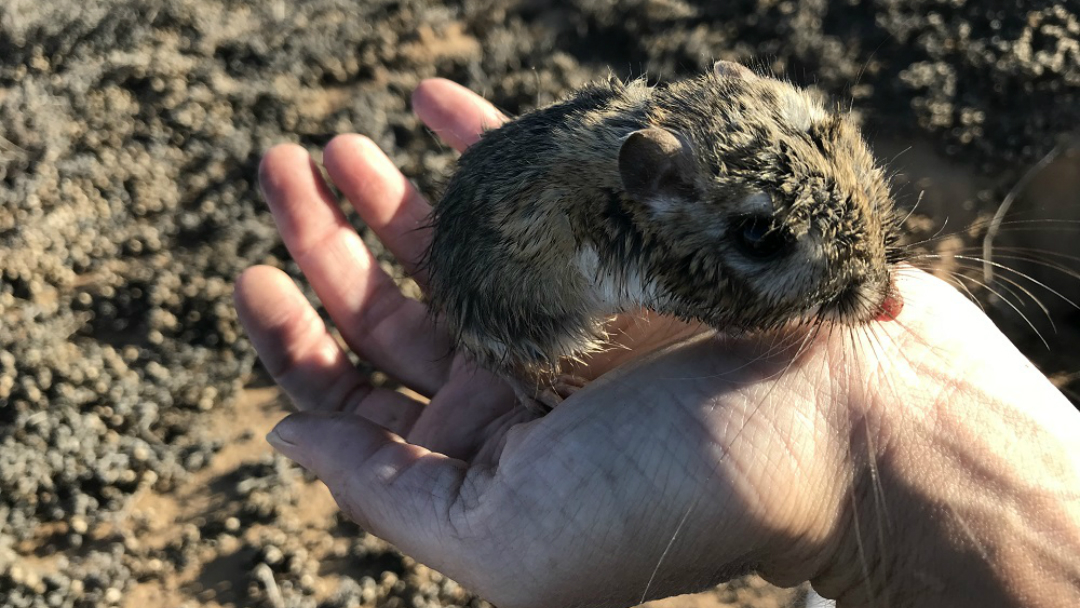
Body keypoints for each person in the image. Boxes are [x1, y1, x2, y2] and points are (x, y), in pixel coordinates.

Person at [233, 78, 1080, 608]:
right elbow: (715, 294)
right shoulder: (659, 216)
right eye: (764, 241)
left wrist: (868, 455)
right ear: (661, 185)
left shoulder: (697, 181)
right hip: (521, 310)